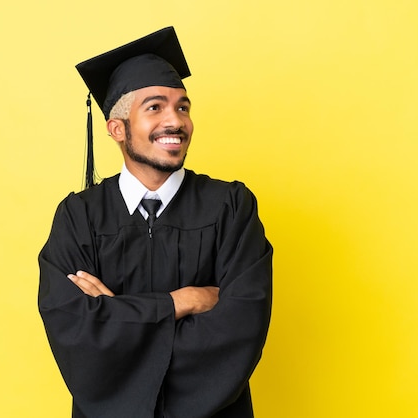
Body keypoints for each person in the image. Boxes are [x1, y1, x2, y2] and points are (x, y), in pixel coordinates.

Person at [38, 27, 273, 418]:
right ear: (117, 129)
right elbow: (75, 334)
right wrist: (181, 302)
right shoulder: (79, 217)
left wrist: (118, 316)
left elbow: (239, 330)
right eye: (155, 107)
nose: (176, 121)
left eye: (183, 107)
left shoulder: (231, 207)